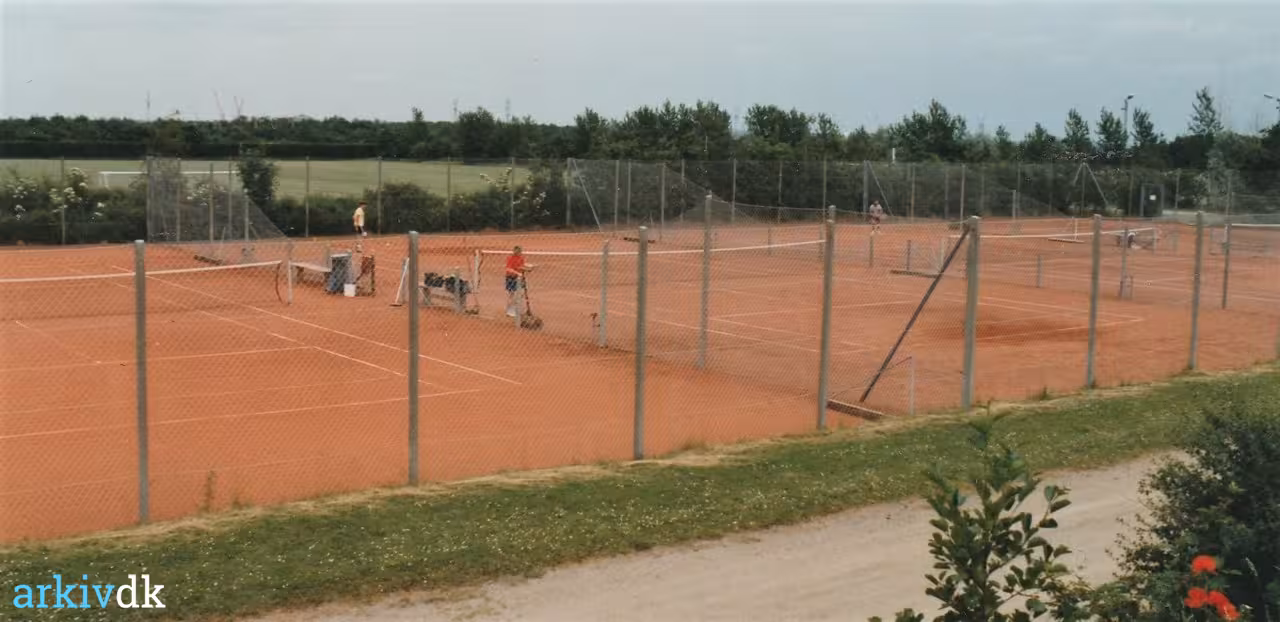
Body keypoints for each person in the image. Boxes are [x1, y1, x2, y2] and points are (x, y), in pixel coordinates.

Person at [504, 245, 535, 317]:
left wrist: (528, 267)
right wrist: (517, 273)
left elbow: (520, 266)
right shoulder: (510, 258)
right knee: (512, 295)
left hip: (518, 278)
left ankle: (516, 309)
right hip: (511, 277)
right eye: (517, 251)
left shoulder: (521, 258)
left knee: (519, 294)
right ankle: (509, 311)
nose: (519, 253)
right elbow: (508, 269)